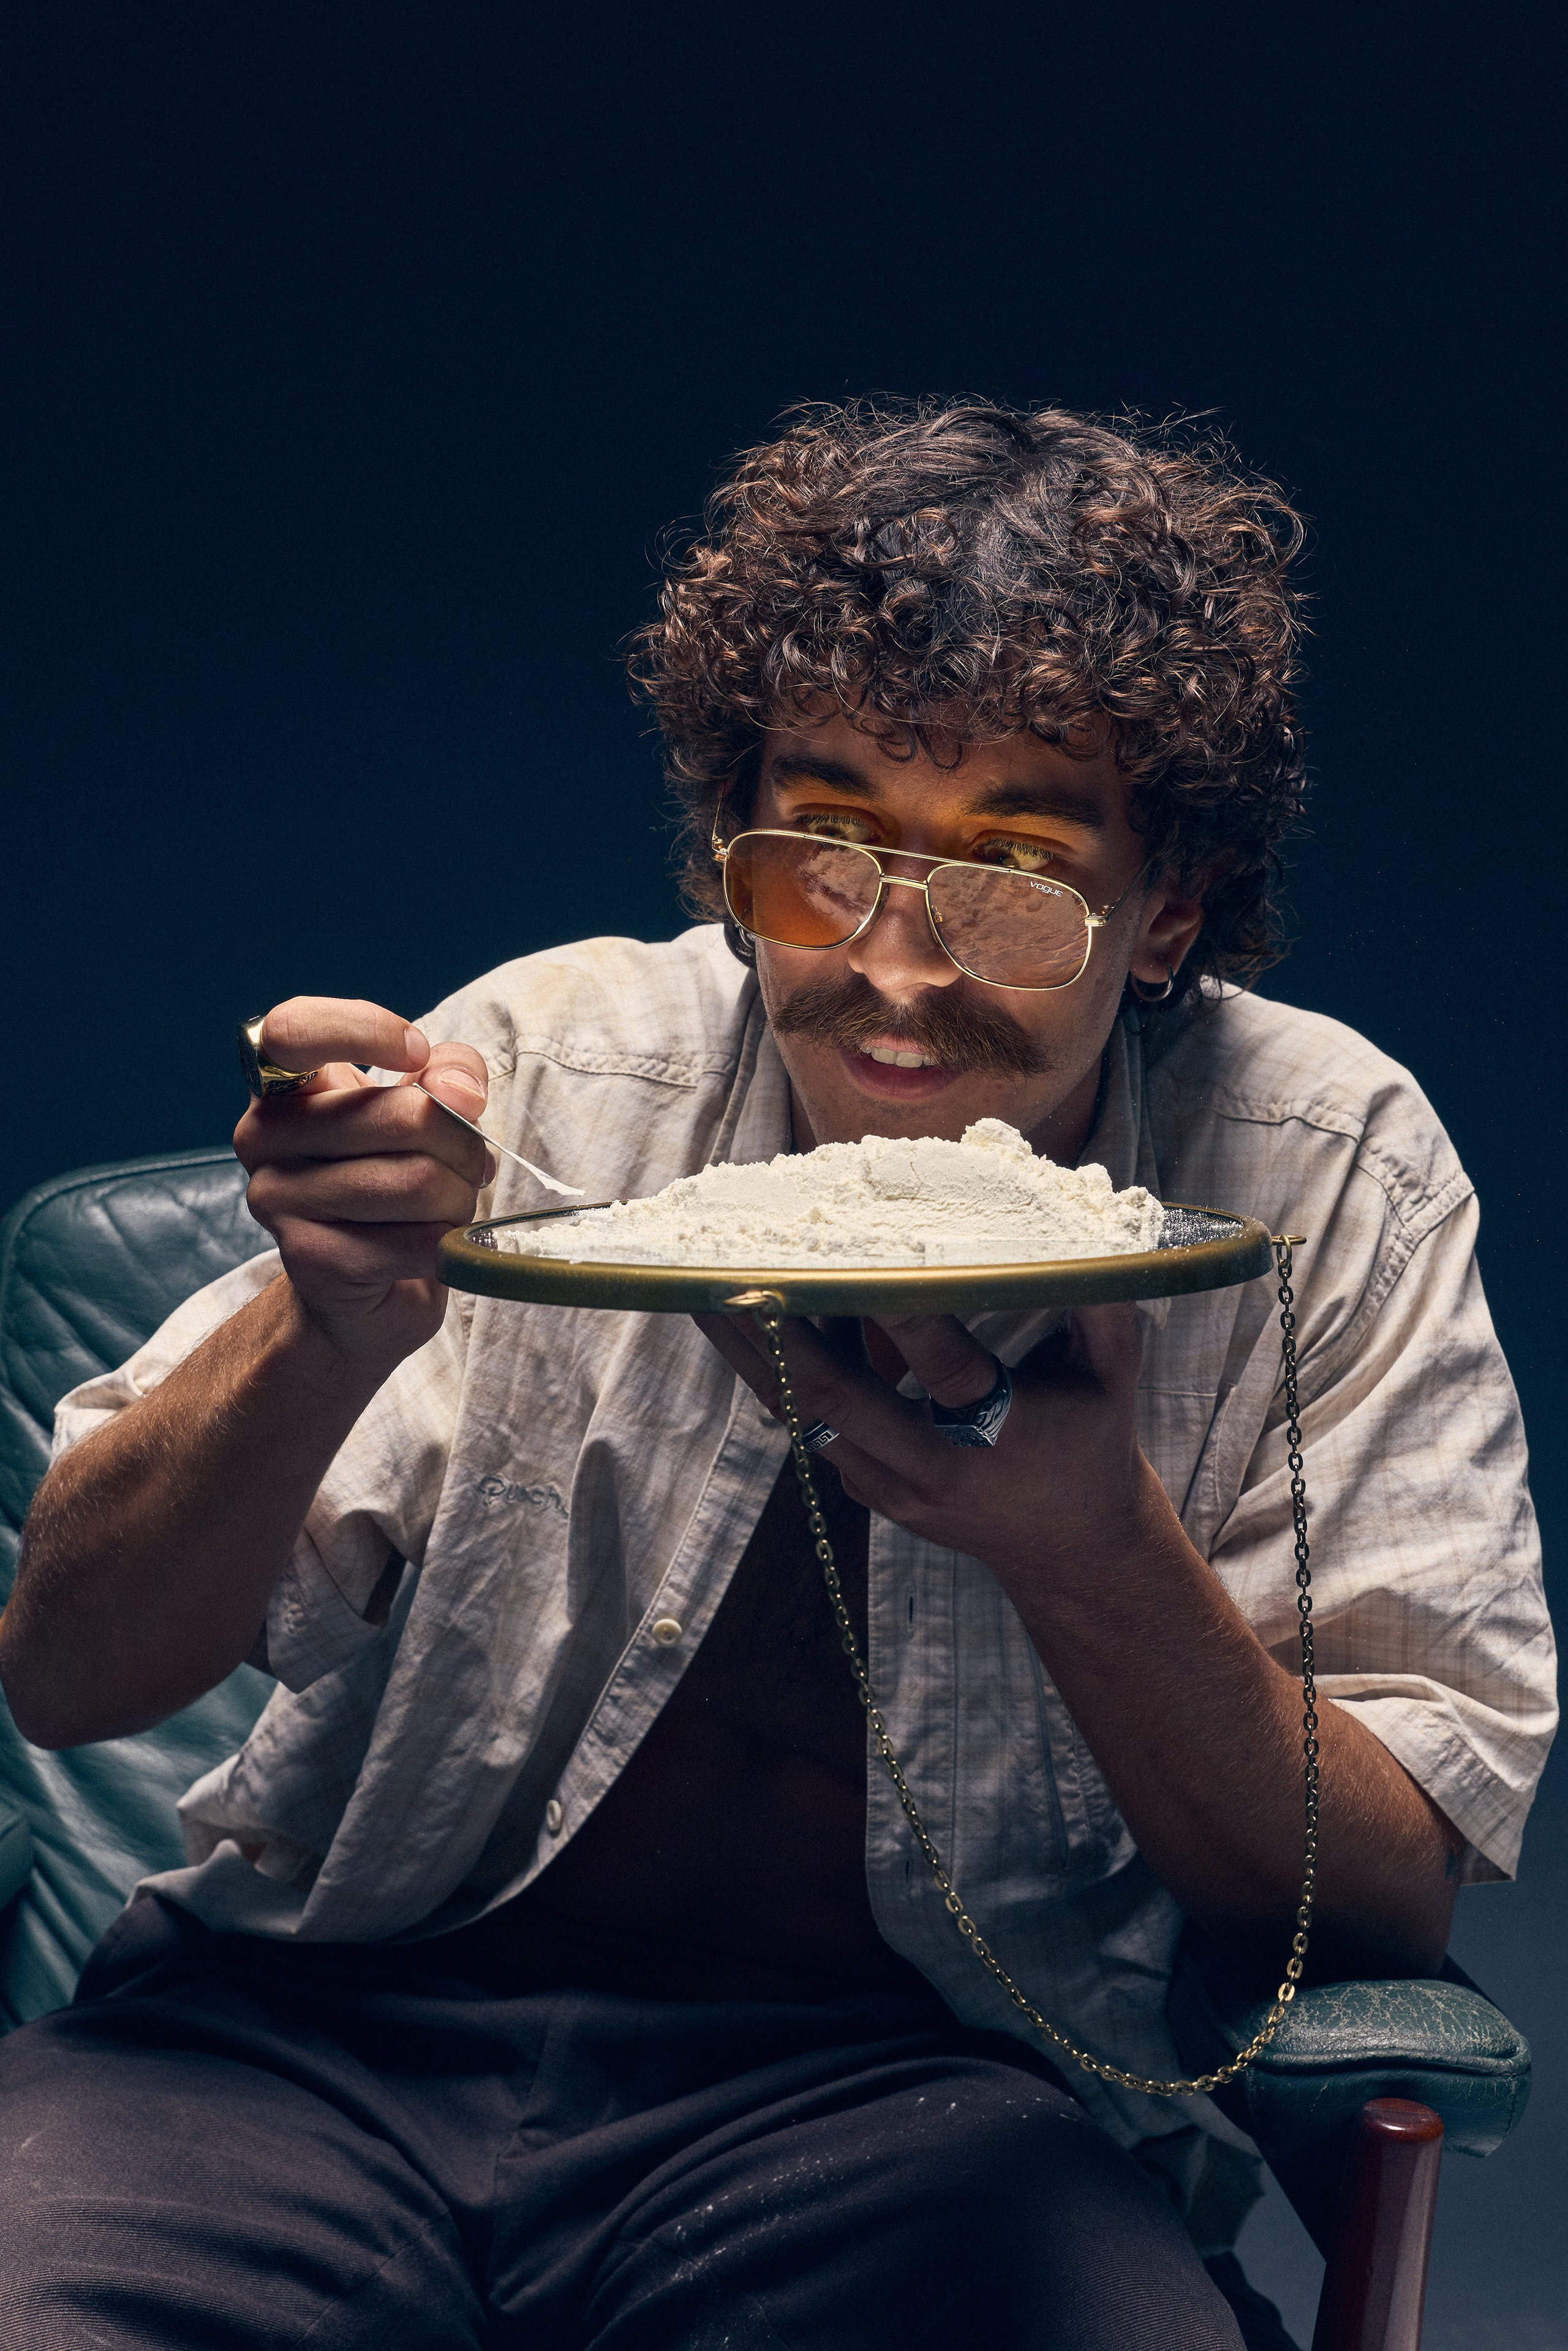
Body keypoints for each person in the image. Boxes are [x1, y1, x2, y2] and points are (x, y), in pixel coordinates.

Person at [0, 401, 1552, 2351]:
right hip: (304, 2044)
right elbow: (64, 1675)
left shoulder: (1321, 1174)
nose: (895, 969)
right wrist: (323, 1327)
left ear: (1169, 906)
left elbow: (1381, 1915)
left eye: (1010, 876)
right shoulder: (550, 1067)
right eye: (823, 851)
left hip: (917, 2111)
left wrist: (1095, 1555)